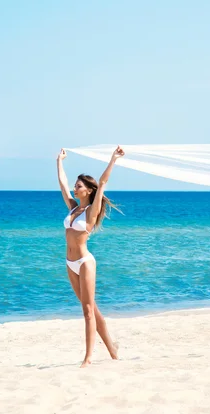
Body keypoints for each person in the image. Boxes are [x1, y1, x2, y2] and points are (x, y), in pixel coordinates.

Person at [56, 145, 124, 367]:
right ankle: (112, 349)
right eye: (75, 186)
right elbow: (63, 184)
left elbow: (103, 182)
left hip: (85, 262)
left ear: (88, 190)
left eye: (79, 187)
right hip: (69, 262)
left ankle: (88, 358)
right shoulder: (73, 208)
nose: (75, 189)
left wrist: (113, 159)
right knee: (92, 308)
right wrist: (59, 161)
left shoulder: (90, 212)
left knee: (87, 311)